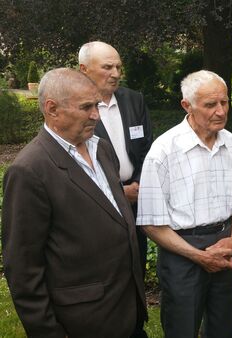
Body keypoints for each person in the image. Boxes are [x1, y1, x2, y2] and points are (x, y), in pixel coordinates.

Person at [1, 68, 146, 337]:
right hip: (83, 323)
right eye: (87, 107)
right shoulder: (29, 171)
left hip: (127, 310)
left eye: (97, 105)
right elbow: (23, 270)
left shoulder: (101, 148)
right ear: (52, 109)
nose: (96, 115)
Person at [136, 70, 232, 338]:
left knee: (224, 327)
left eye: (224, 102)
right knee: (182, 328)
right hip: (182, 254)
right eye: (211, 104)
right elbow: (151, 224)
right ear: (186, 105)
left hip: (225, 248)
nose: (221, 111)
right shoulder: (164, 151)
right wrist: (199, 256)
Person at [79, 41, 153, 337]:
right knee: (109, 270)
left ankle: (135, 323)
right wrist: (118, 193)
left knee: (136, 263)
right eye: (107, 67)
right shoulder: (78, 108)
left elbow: (148, 148)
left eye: (118, 67)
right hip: (100, 205)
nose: (115, 73)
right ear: (84, 70)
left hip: (137, 198)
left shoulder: (133, 99)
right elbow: (72, 164)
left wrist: (140, 184)